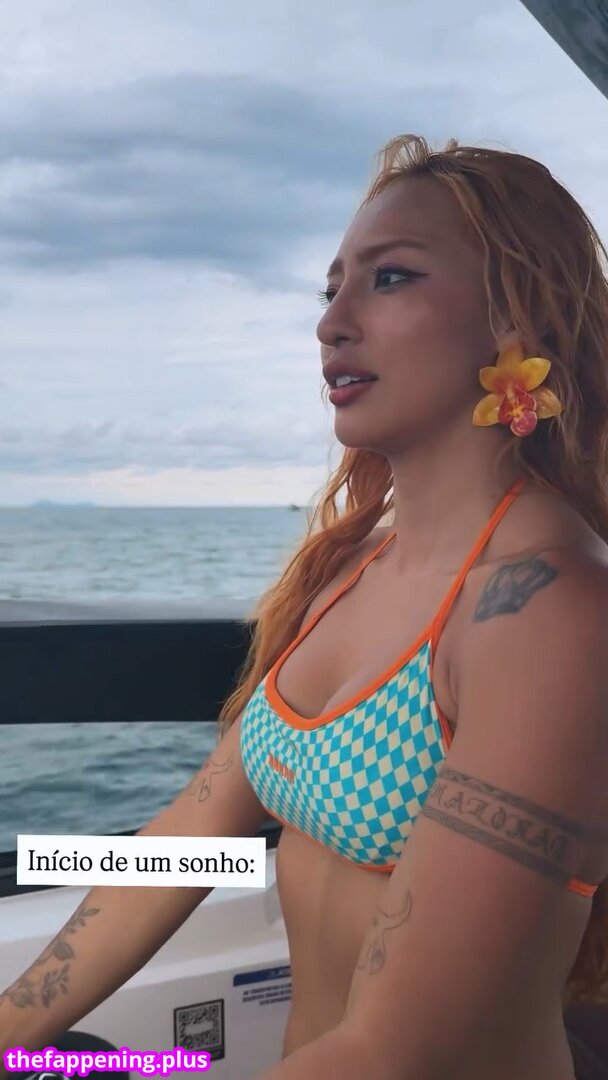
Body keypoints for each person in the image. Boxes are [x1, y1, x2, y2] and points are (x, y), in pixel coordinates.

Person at [1, 133, 608, 1080]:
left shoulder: (550, 614)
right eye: (330, 291)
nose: (332, 323)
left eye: (390, 278)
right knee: (59, 1061)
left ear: (516, 317)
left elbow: (403, 1049)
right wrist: (7, 1025)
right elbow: (189, 838)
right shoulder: (350, 569)